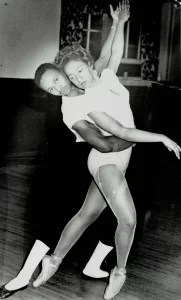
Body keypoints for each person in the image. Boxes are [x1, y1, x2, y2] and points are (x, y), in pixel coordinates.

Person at [31, 2, 180, 300]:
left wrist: (118, 23)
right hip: (106, 158)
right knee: (128, 219)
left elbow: (111, 54)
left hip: (120, 157)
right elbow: (115, 137)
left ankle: (52, 260)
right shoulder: (81, 105)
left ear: (86, 64)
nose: (68, 82)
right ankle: (119, 272)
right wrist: (158, 137)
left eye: (72, 74)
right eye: (59, 83)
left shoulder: (105, 78)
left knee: (86, 215)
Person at [0, 2, 133, 299]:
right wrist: (134, 139)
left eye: (59, 80)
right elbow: (100, 141)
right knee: (61, 215)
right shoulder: (69, 105)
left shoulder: (88, 77)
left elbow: (105, 56)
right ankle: (24, 275)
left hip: (110, 153)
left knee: (112, 214)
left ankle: (95, 265)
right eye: (51, 88)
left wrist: (116, 24)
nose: (59, 87)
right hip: (83, 157)